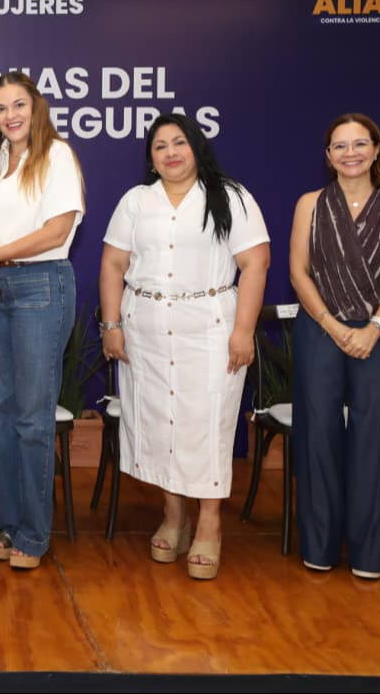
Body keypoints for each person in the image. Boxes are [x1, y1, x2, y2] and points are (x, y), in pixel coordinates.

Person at [99, 113, 270, 581]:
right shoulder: (137, 201)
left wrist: (244, 330)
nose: (171, 152)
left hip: (211, 327)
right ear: (151, 159)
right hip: (145, 329)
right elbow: (113, 264)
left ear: (196, 147)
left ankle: (210, 524)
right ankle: (174, 517)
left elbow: (255, 264)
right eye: (160, 146)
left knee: (205, 423)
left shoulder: (230, 196)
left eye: (180, 142)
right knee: (160, 422)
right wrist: (110, 325)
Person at [0, 71, 85, 570]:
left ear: (36, 107)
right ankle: (6, 523)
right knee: (1, 416)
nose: (11, 115)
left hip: (39, 284)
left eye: (19, 104)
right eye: (1, 108)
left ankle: (33, 531)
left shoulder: (57, 156)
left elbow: (55, 232)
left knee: (31, 417)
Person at [288, 113, 380, 579]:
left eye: (359, 143)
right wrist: (331, 324)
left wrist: (374, 326)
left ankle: (370, 555)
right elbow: (298, 272)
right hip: (320, 330)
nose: (350, 153)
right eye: (339, 146)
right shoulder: (309, 204)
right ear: (328, 156)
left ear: (377, 148)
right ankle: (319, 546)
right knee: (317, 437)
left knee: (377, 441)